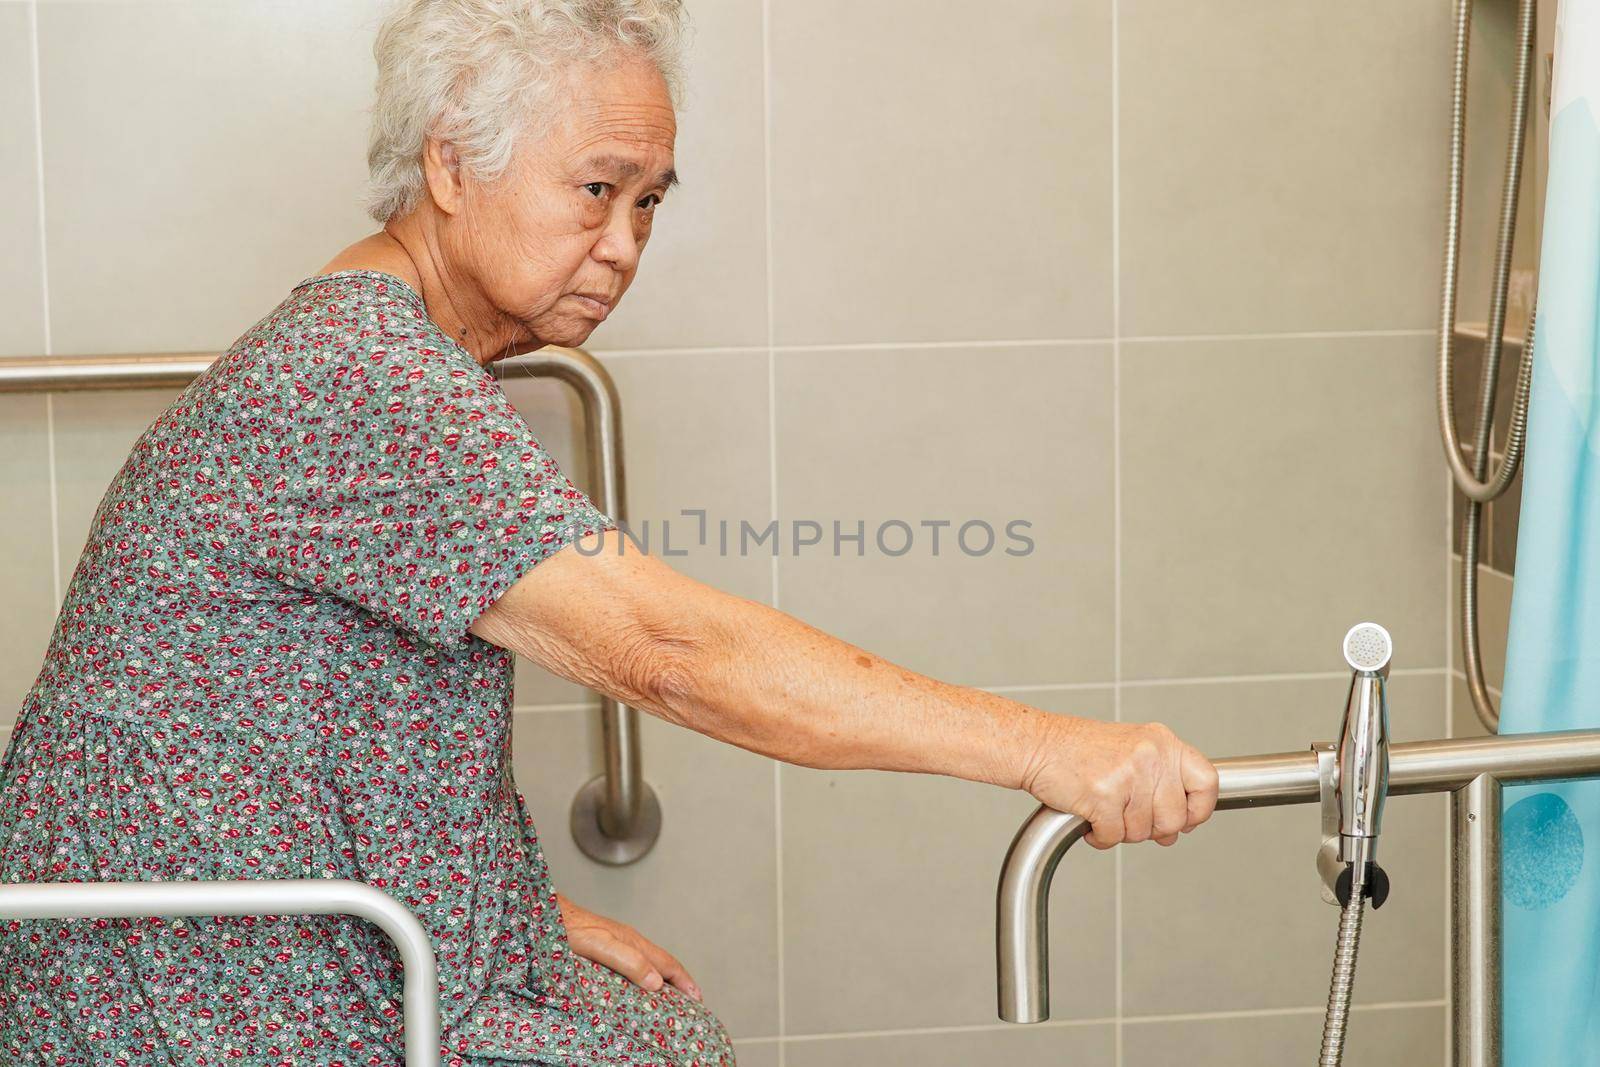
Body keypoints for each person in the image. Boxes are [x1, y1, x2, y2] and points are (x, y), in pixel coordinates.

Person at [0, 1, 1218, 1063]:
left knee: (651, 1026)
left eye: (648, 201)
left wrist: (508, 901)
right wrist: (1047, 747)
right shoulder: (362, 377)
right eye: (596, 190)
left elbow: (298, 728)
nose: (626, 244)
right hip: (177, 987)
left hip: (239, 934)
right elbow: (665, 651)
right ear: (451, 167)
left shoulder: (377, 351)